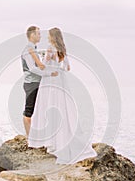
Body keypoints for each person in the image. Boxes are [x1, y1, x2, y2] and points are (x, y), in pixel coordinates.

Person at [27, 27, 97, 164]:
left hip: (51, 80)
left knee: (49, 106)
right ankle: (59, 139)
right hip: (61, 80)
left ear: (52, 36)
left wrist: (42, 60)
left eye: (48, 35)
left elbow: (45, 64)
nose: (47, 37)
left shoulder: (50, 47)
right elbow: (67, 68)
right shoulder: (63, 50)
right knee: (61, 107)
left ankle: (52, 141)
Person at [21, 26, 58, 139]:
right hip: (31, 83)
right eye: (38, 34)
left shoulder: (34, 49)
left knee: (38, 109)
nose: (40, 36)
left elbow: (40, 65)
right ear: (32, 35)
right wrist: (49, 74)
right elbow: (32, 69)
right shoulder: (28, 50)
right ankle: (29, 137)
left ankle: (36, 135)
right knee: (29, 111)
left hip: (37, 82)